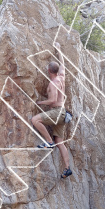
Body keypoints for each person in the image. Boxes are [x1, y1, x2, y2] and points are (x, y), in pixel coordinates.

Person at [31, 43, 72, 178]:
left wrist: (40, 102)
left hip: (57, 111)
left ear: (49, 71)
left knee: (35, 120)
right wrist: (59, 50)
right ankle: (67, 168)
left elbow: (53, 100)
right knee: (60, 141)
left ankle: (49, 142)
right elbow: (63, 64)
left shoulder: (53, 83)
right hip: (62, 112)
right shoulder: (61, 77)